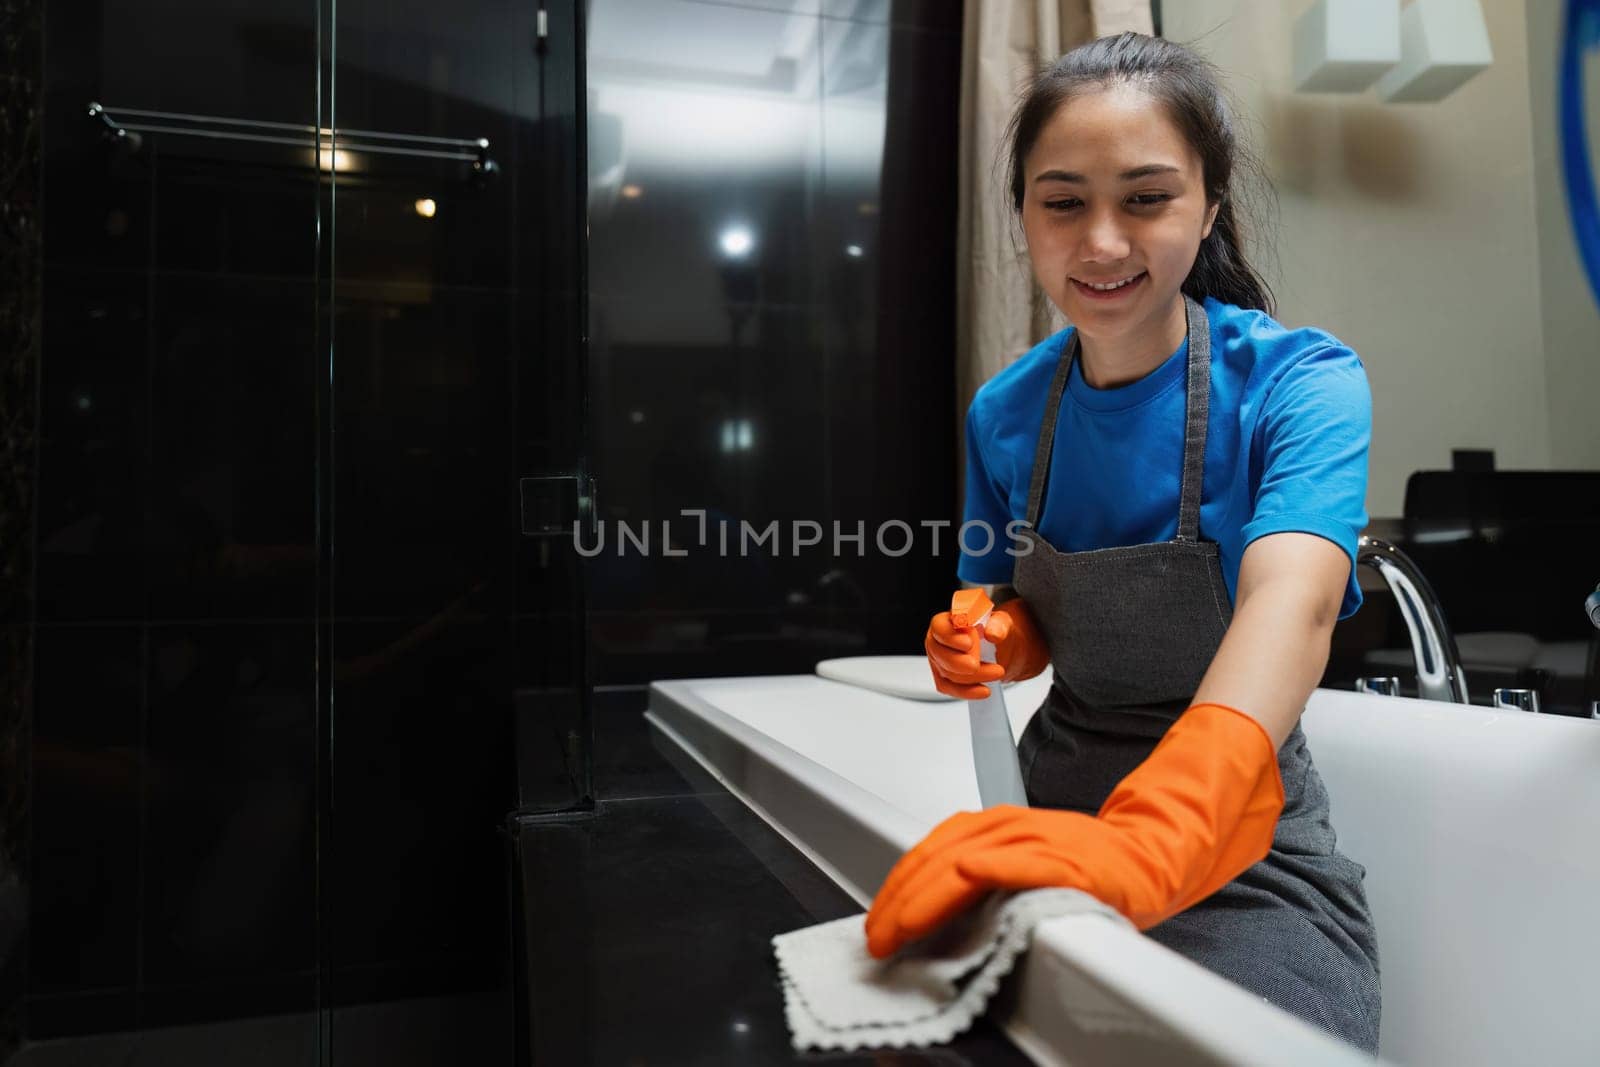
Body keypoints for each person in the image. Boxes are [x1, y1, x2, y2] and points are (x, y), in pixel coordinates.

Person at [865, 32, 1382, 1053]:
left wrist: (1165, 826)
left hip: (1243, 850)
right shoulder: (1005, 412)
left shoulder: (1301, 384)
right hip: (1047, 816)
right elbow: (1011, 607)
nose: (1101, 242)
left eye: (1146, 197)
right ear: (1022, 214)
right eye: (1062, 202)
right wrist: (996, 639)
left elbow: (1298, 600)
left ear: (1209, 206)